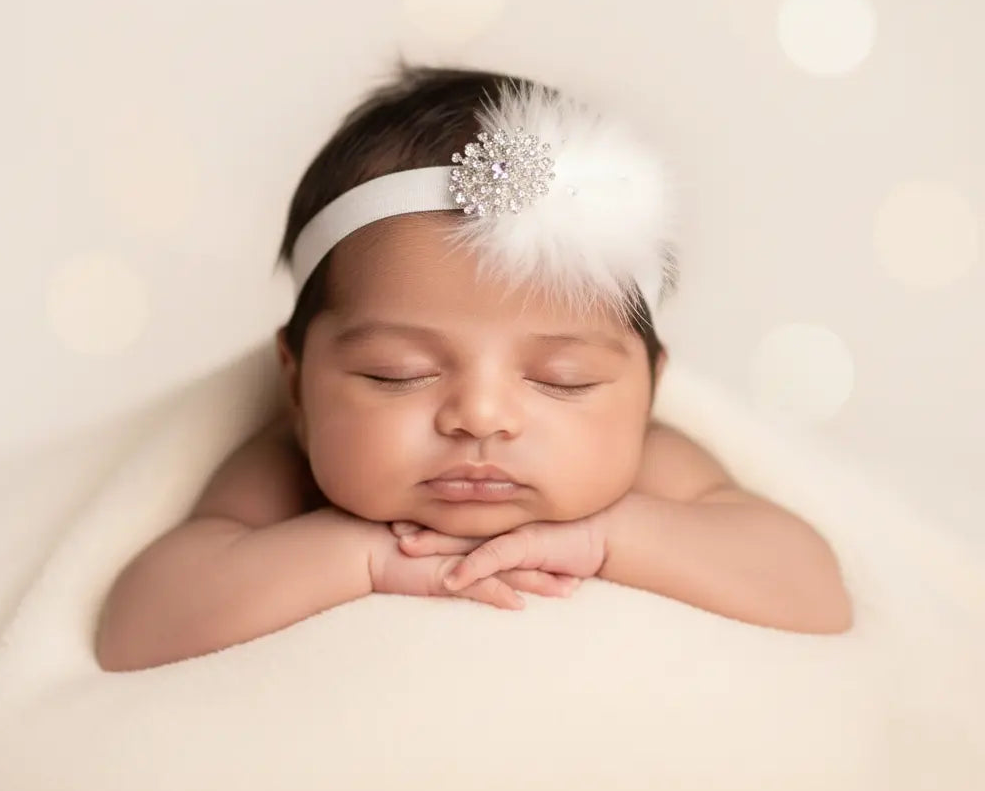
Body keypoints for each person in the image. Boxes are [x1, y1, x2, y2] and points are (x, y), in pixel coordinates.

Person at [95, 62, 852, 672]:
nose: (481, 416)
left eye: (564, 380)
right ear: (296, 384)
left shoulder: (653, 470)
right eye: (397, 372)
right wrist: (360, 555)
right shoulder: (287, 470)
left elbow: (815, 592)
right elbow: (136, 626)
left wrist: (611, 537)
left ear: (649, 390)